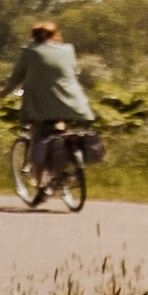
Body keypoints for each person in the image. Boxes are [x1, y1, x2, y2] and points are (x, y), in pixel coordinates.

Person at [12, 17, 101, 202]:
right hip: (74, 105)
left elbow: (17, 76)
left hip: (43, 107)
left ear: (34, 36)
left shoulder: (29, 52)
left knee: (39, 139)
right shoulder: (68, 50)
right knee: (60, 132)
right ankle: (66, 171)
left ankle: (41, 187)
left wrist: (5, 91)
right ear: (55, 35)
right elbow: (74, 72)